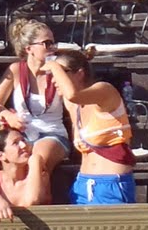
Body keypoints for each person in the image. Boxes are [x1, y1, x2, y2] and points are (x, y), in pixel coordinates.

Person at [0, 17, 72, 195]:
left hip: (52, 133)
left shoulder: (57, 70)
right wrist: (8, 115)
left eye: (53, 43)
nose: (52, 48)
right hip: (23, 134)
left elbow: (73, 100)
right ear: (29, 49)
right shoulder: (16, 70)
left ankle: (35, 202)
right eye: (47, 43)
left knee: (37, 159)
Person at [49, 47, 135, 205]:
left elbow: (73, 94)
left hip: (111, 184)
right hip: (83, 184)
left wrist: (53, 65)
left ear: (80, 73)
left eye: (60, 72)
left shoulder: (105, 90)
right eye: (53, 74)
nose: (55, 80)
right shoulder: (73, 106)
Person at [0, 125, 49, 218]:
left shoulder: (39, 174)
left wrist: (35, 159)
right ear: (1, 155)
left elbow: (33, 200)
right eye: (15, 143)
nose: (24, 145)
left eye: (23, 140)